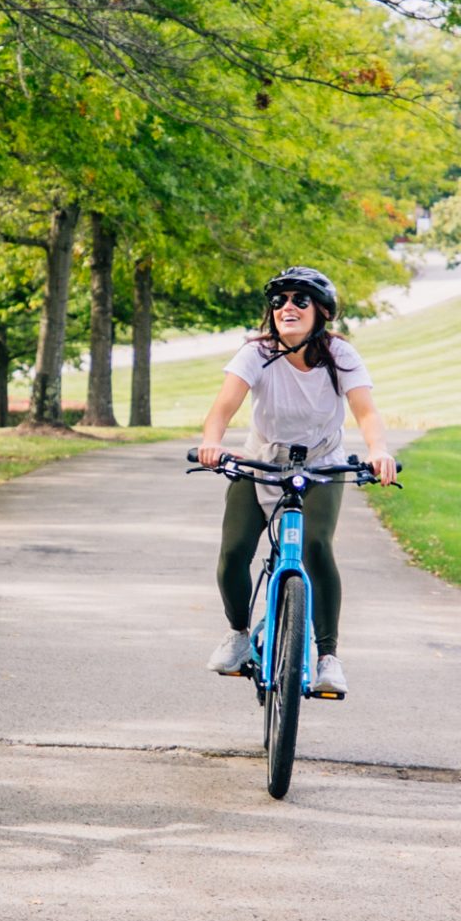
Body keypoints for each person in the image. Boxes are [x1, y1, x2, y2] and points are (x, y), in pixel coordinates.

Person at [191, 266, 396, 696]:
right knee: (233, 552)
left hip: (322, 464)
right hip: (263, 461)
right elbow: (224, 406)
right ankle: (239, 635)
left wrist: (378, 451)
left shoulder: (340, 355)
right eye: (280, 300)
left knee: (316, 546)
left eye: (300, 300)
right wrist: (212, 442)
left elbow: (366, 411)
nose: (288, 307)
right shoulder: (256, 353)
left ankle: (327, 658)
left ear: (320, 311)